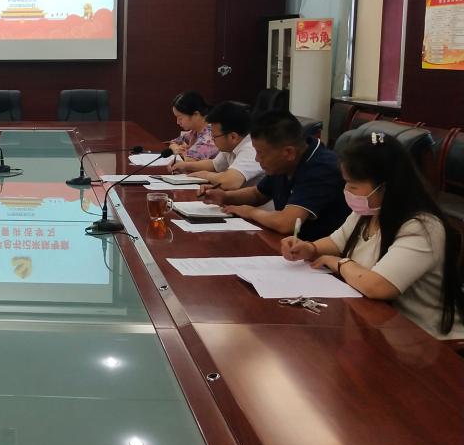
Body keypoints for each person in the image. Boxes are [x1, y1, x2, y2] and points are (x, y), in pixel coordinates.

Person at [281, 132, 463, 340]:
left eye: (353, 185)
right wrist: (309, 248)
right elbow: (336, 241)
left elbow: (378, 287)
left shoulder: (422, 227)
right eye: (346, 183)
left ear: (385, 187)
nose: (346, 190)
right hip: (379, 326)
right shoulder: (368, 211)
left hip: (424, 339)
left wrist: (338, 262)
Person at [201, 110, 348, 239]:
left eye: (261, 153)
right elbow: (257, 194)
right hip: (290, 245)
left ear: (288, 152)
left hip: (320, 253)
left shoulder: (321, 167)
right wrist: (225, 196)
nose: (257, 159)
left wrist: (251, 212)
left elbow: (286, 223)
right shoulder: (284, 162)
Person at [171, 101, 263, 189]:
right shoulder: (230, 146)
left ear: (233, 137)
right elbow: (214, 165)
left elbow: (230, 181)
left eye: (214, 137)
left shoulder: (251, 148)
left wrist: (206, 175)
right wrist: (185, 166)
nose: (212, 140)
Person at [168, 91, 218, 160]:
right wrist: (176, 148)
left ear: (196, 115)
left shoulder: (210, 136)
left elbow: (189, 161)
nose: (178, 122)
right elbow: (173, 142)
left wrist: (182, 151)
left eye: (180, 118)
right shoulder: (196, 130)